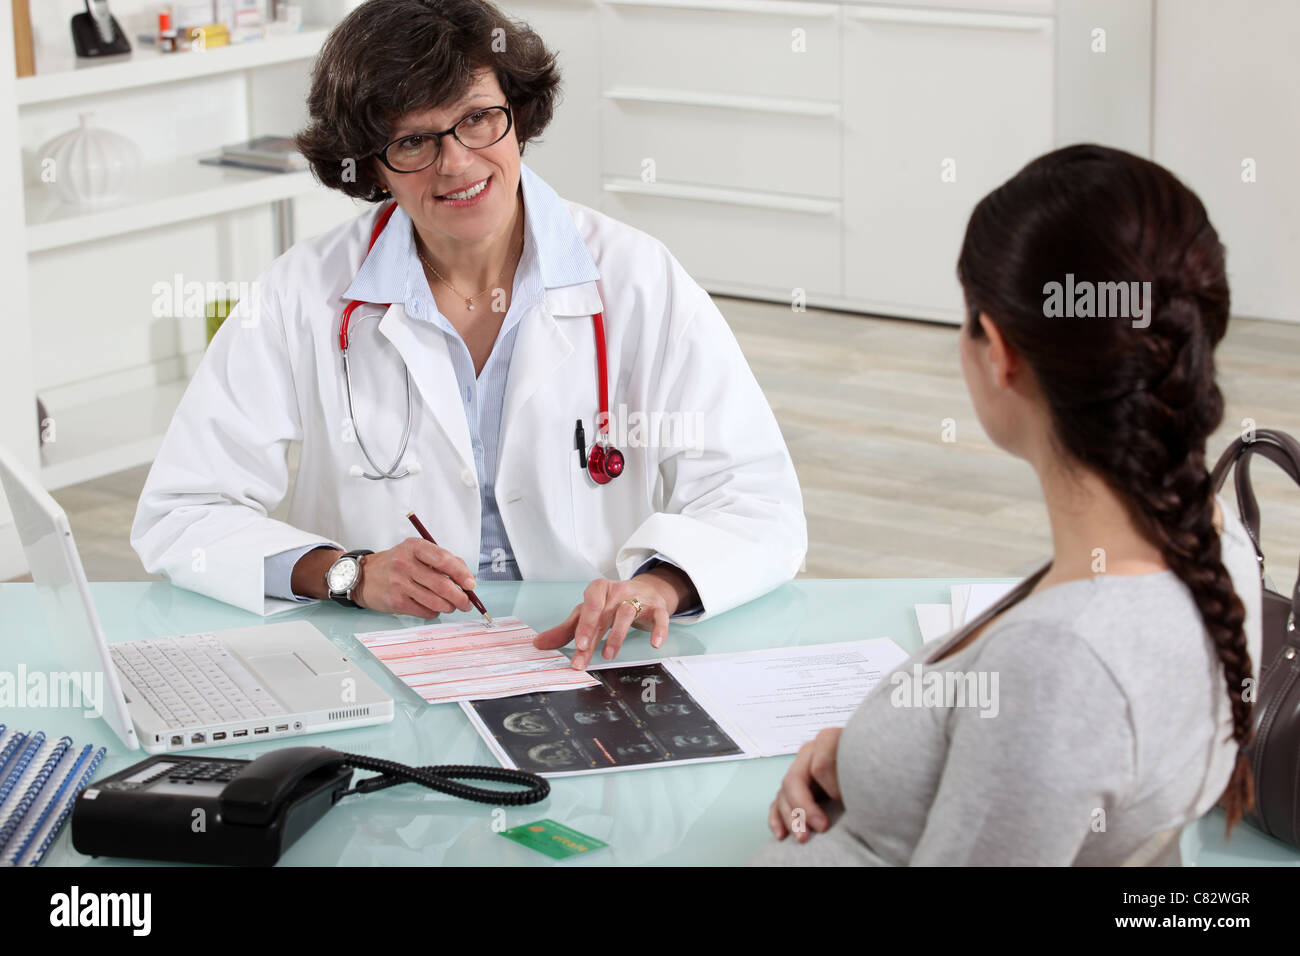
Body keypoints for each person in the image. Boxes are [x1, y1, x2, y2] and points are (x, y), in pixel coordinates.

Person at [130, 0, 805, 669]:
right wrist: (348, 573)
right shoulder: (300, 293)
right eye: (414, 141)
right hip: (374, 662)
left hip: (590, 657)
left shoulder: (636, 278)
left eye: (478, 118)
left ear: (518, 114)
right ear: (372, 166)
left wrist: (658, 585)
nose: (455, 163)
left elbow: (755, 500)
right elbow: (184, 513)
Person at [753, 144, 1261, 866]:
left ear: (999, 350)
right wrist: (880, 770)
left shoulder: (1059, 666)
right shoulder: (1215, 543)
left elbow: (1049, 726)